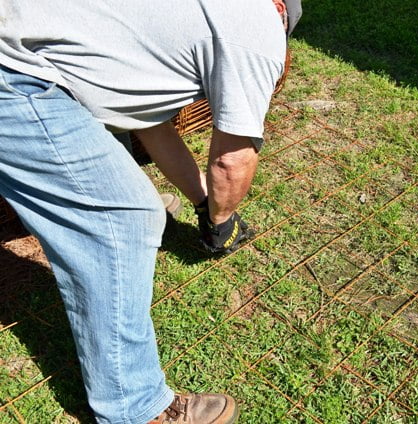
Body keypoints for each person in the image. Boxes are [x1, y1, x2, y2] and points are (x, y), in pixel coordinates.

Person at [0, 0, 301, 423]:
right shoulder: (260, 32)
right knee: (125, 218)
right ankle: (135, 409)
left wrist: (201, 203)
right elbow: (232, 161)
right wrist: (221, 219)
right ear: (283, 14)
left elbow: (149, 124)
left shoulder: (181, 17)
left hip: (23, 47)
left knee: (120, 172)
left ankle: (102, 189)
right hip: (14, 73)